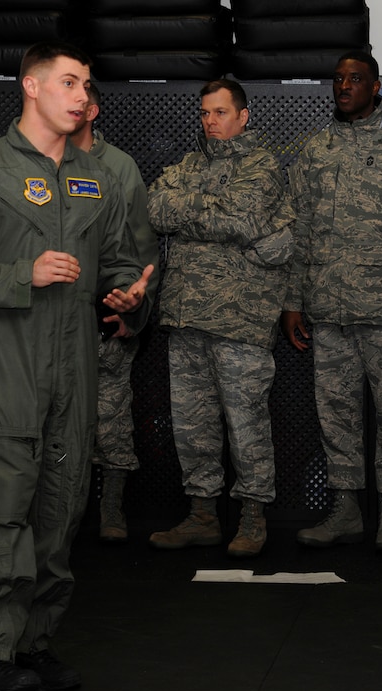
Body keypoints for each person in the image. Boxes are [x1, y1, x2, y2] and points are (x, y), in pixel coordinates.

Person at [0, 41, 154, 691]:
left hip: (75, 366)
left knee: (60, 510)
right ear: (31, 86)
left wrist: (123, 295)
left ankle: (34, 641)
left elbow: (117, 258)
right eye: (69, 81)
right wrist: (16, 275)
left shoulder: (97, 176)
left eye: (86, 83)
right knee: (1, 511)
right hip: (8, 366)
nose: (82, 94)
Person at [284, 51, 382, 553]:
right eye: (338, 79)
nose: (344, 86)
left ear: (377, 87)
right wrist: (293, 300)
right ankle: (347, 509)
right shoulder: (315, 149)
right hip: (328, 310)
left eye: (355, 79)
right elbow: (300, 230)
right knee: (335, 414)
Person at [147, 79, 287, 559]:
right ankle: (203, 515)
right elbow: (155, 208)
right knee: (192, 425)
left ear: (243, 116)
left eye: (221, 113)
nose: (211, 122)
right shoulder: (188, 164)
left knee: (246, 424)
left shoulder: (262, 166)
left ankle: (252, 517)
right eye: (205, 113)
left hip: (239, 318)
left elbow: (241, 220)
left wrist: (190, 210)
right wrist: (206, 212)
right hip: (185, 314)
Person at [69, 82, 159, 544]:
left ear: (93, 110)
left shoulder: (118, 167)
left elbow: (141, 250)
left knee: (113, 419)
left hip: (106, 317)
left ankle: (112, 507)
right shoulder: (39, 160)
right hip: (53, 322)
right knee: (57, 422)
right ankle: (64, 512)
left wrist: (134, 311)